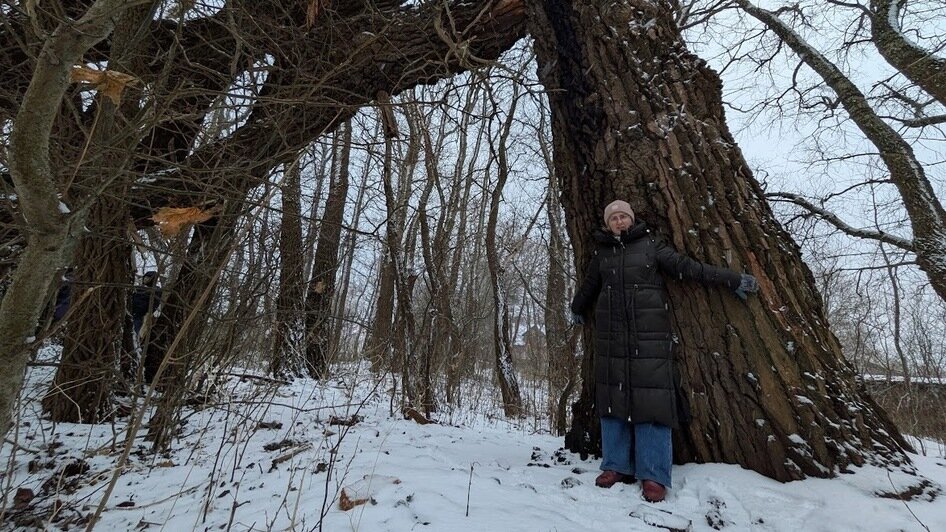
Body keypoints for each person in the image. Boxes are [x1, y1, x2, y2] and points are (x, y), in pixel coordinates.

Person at [570, 200, 759, 503]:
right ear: (608, 224)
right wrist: (576, 308)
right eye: (613, 218)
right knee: (612, 402)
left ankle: (654, 474)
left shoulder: (650, 246)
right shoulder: (602, 253)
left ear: (632, 219)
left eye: (623, 216)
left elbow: (687, 268)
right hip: (611, 341)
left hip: (649, 339)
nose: (619, 221)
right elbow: (590, 286)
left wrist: (732, 278)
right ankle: (615, 465)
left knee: (652, 404)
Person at [130, 271, 162, 337]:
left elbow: (155, 304)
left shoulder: (155, 290)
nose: (145, 279)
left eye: (148, 278)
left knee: (134, 333)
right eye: (145, 277)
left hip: (140, 315)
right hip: (132, 311)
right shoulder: (140, 288)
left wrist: (146, 311)